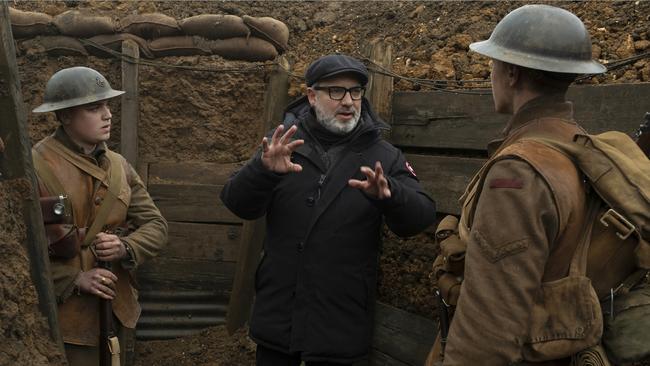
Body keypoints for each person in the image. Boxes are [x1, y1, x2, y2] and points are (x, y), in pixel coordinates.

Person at [431, 4, 643, 365]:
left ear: (511, 73)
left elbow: (487, 333)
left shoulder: (519, 173)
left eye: (494, 63)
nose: (492, 73)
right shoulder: (575, 146)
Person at [221, 54, 436, 365]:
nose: (348, 101)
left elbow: (420, 216)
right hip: (278, 319)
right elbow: (236, 203)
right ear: (311, 96)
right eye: (336, 91)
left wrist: (391, 195)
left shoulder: (383, 155)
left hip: (339, 324)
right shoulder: (283, 143)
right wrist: (263, 170)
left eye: (356, 91)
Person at [32, 66, 168, 366]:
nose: (107, 114)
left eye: (108, 105)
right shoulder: (35, 168)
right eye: (95, 108)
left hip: (117, 308)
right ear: (65, 115)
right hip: (64, 319)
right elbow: (15, 250)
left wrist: (126, 247)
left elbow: (156, 226)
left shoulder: (119, 167)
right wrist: (74, 278)